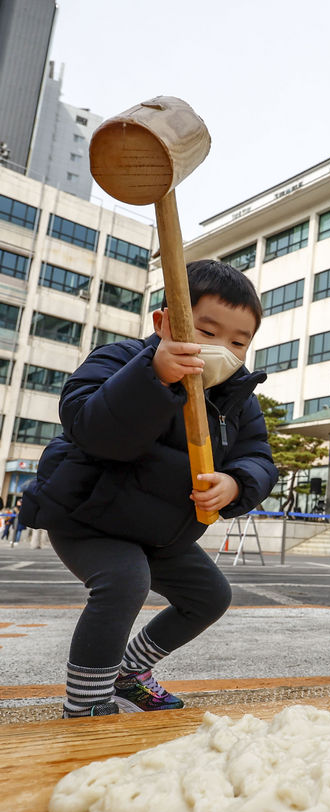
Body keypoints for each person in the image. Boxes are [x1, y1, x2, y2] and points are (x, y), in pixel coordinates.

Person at [19, 260, 278, 718]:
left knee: (209, 596)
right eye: (206, 331)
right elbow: (89, 425)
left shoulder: (237, 397)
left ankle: (129, 673)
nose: (221, 349)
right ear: (163, 324)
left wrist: (236, 482)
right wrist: (152, 375)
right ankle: (86, 704)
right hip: (90, 514)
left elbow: (258, 457)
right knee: (124, 580)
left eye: (238, 342)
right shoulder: (120, 360)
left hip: (161, 529)